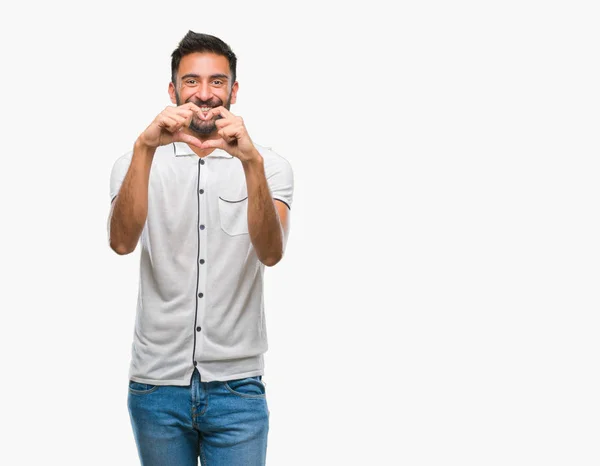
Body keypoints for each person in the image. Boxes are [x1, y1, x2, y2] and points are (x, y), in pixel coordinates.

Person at [107, 31, 293, 466]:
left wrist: (250, 163)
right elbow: (120, 243)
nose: (205, 94)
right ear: (173, 90)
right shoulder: (136, 161)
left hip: (237, 388)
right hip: (156, 387)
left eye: (217, 81)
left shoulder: (271, 165)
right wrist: (144, 147)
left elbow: (272, 251)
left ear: (234, 90)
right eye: (191, 81)